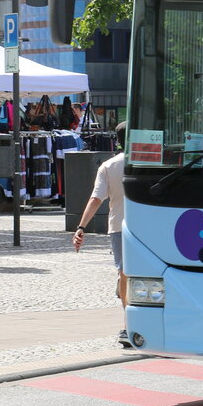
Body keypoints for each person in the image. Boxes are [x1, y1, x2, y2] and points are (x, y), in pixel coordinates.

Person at [72, 122, 129, 347]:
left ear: (117, 140)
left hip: (119, 227)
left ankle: (128, 325)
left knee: (124, 273)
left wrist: (81, 227)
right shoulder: (150, 162)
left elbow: (96, 199)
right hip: (148, 227)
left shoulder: (108, 166)